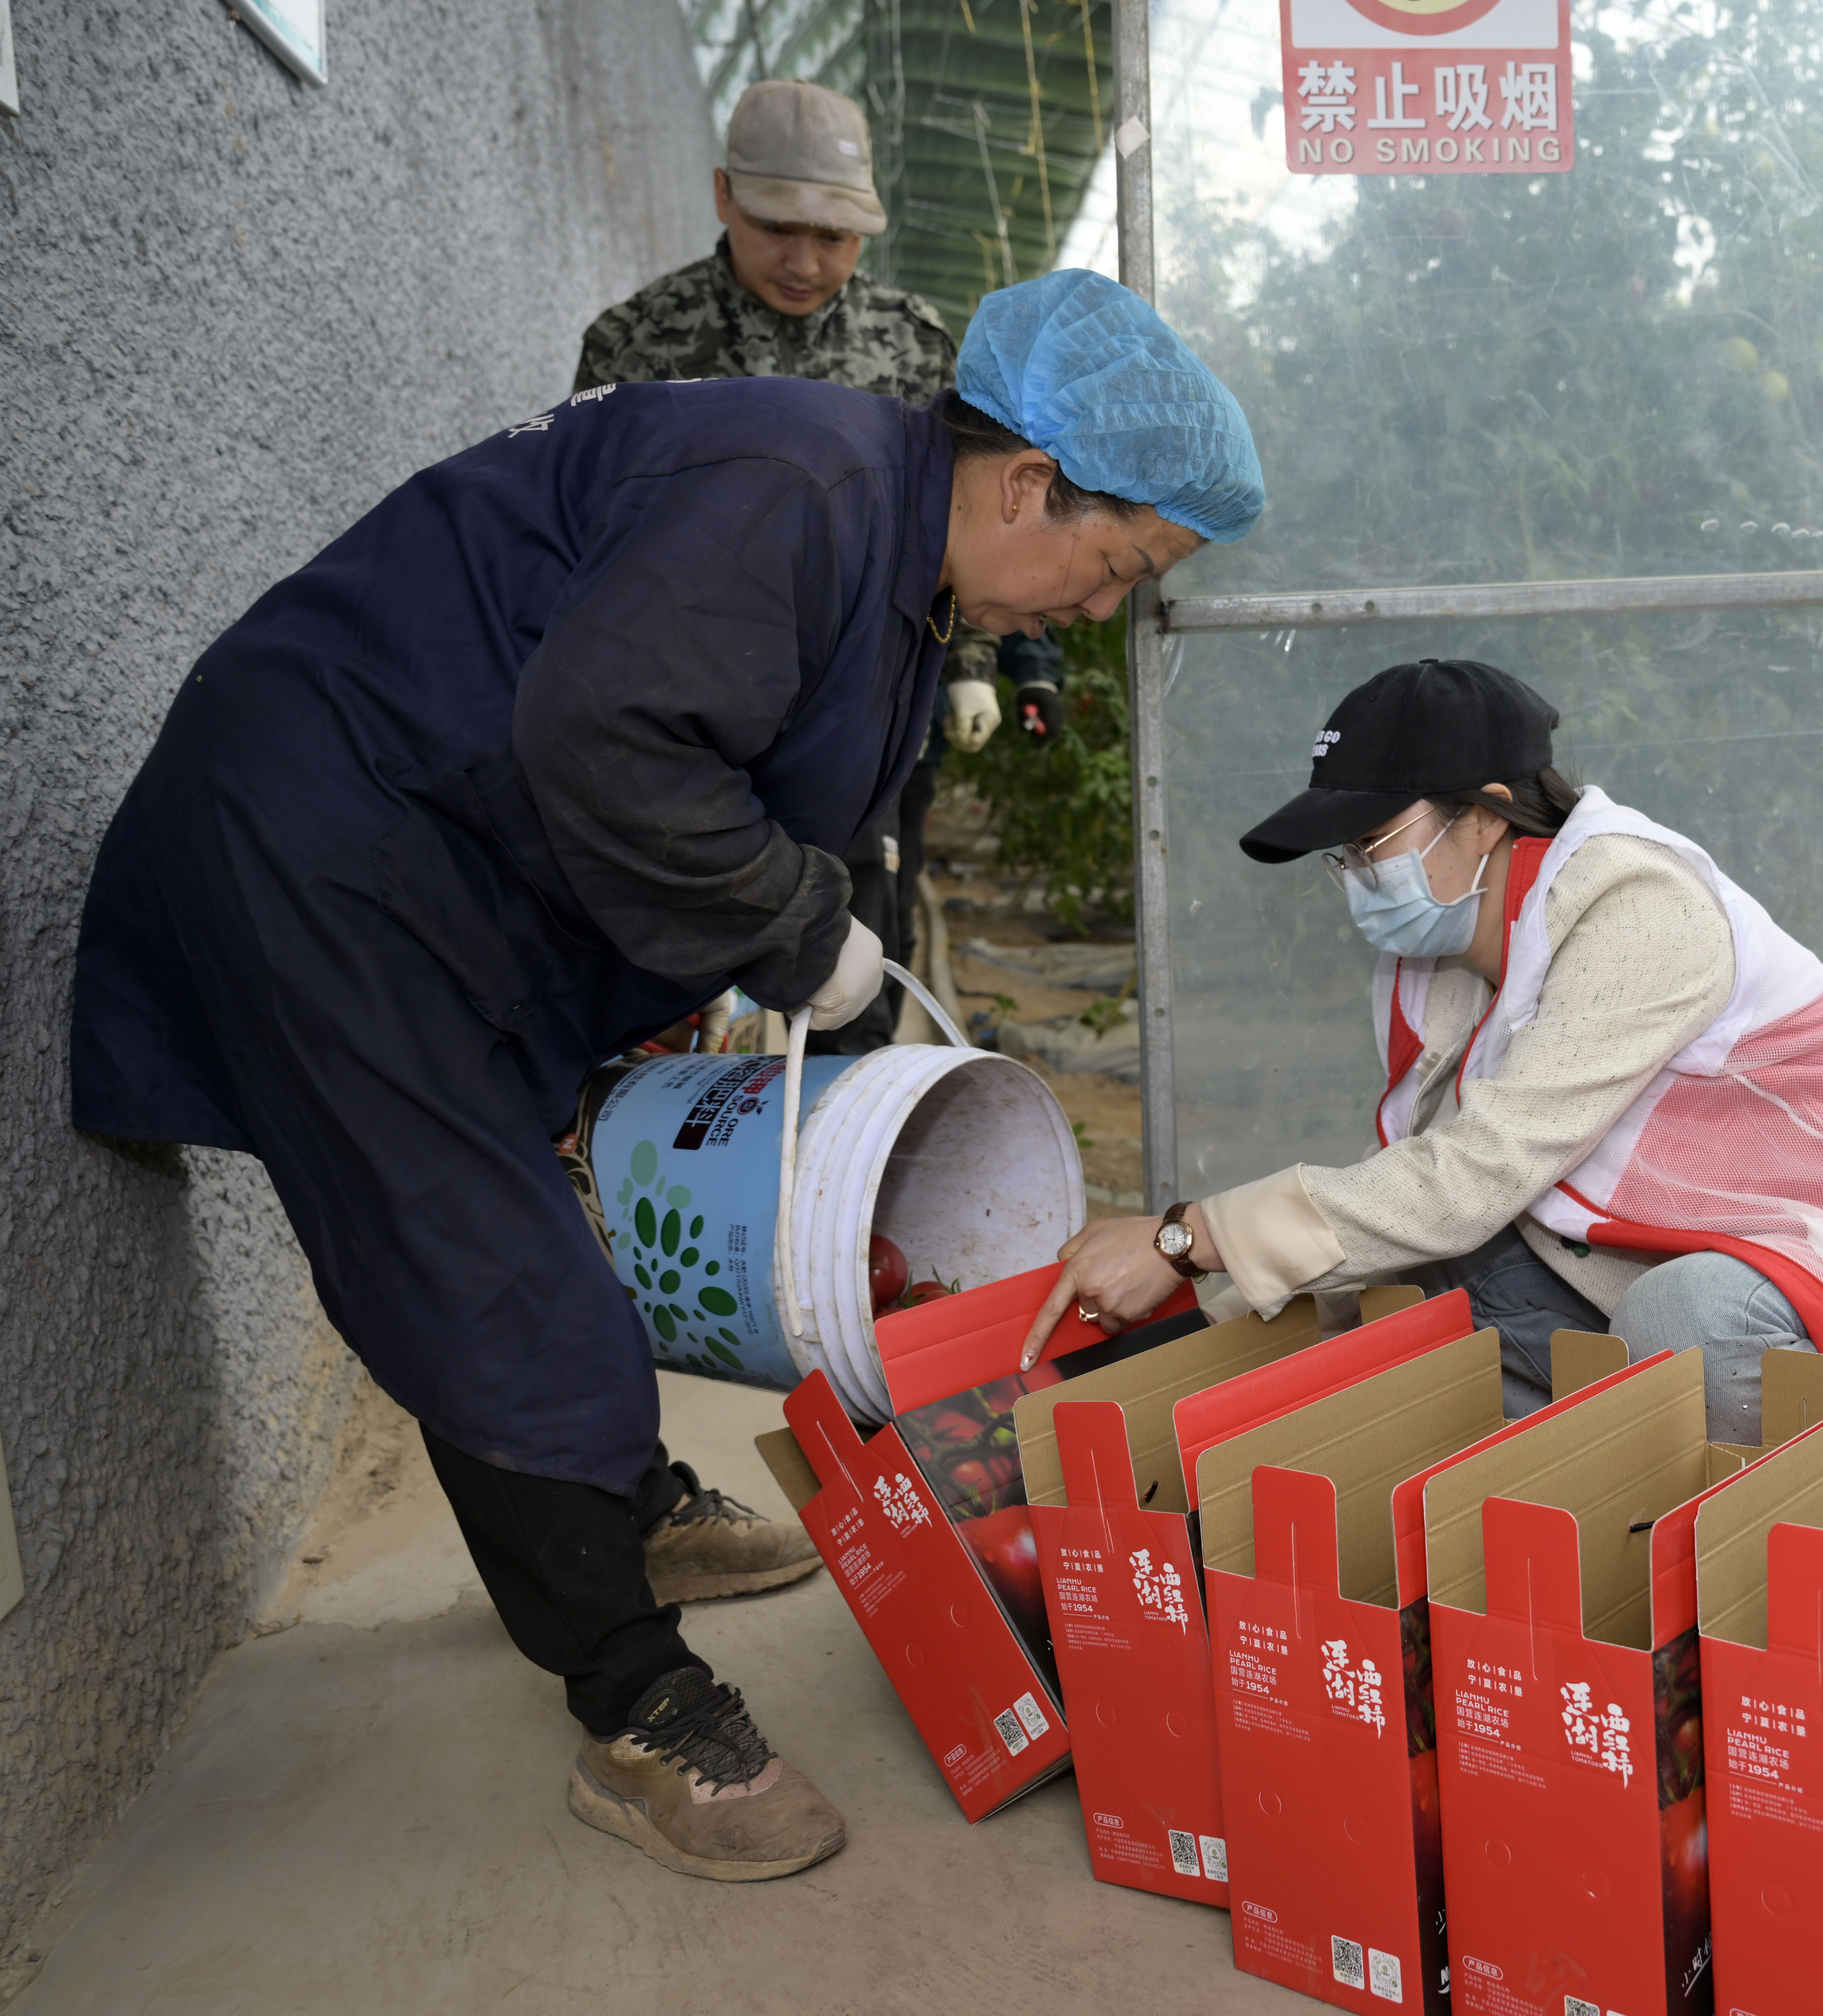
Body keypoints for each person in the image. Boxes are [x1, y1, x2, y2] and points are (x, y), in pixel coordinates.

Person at [70, 270, 1262, 1880]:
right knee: (491, 1270)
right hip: (324, 846)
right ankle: (637, 1710)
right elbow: (612, 744)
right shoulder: (798, 491)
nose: (1098, 607)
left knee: (518, 1217)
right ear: (1032, 483)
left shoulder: (899, 551)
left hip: (437, 855)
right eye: (1114, 564)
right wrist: (798, 932)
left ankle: (620, 1506)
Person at [1021, 659, 1823, 1442]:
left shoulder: (1637, 908)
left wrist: (1179, 1242)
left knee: (1683, 1323)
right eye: (1337, 857)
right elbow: (1412, 1207)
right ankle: (1568, 1498)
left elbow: (1472, 1178)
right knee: (1436, 1294)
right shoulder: (1442, 954)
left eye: (1372, 845)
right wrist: (1205, 1323)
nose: (1352, 879)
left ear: (1482, 822)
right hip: (1724, 1237)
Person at [575, 78, 1068, 1048]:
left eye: (834, 238)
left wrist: (966, 673)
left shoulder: (917, 346)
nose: (805, 262)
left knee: (853, 966)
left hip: (869, 710)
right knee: (659, 963)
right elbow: (592, 534)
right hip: (688, 712)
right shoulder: (635, 345)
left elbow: (963, 529)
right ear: (723, 197)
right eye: (777, 229)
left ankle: (837, 1175)